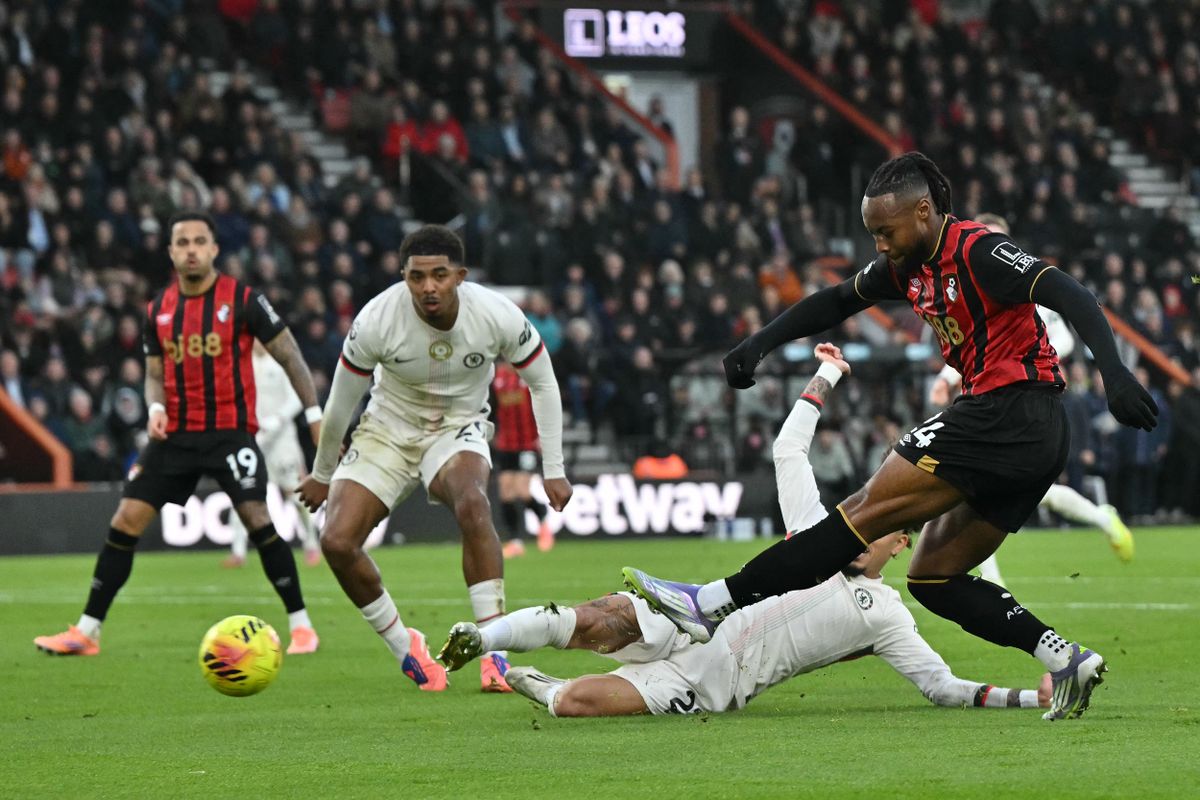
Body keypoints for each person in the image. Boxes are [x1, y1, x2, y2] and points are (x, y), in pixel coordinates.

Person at [623, 152, 1159, 721]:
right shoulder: (907, 265)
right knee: (932, 576)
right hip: (1027, 435)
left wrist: (1114, 372)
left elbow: (1070, 292)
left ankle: (709, 603)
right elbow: (835, 301)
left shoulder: (979, 250)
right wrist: (759, 342)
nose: (879, 244)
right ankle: (1064, 659)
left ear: (924, 211)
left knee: (862, 511)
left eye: (885, 230)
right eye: (872, 233)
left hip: (1010, 411)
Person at [437, 345, 1052, 717]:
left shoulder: (887, 617)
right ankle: (484, 632)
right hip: (688, 614)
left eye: (894, 529)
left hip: (712, 683)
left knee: (575, 705)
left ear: (900, 544)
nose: (879, 529)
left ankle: (546, 688)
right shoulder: (818, 534)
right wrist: (826, 378)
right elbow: (789, 451)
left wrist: (1029, 697)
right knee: (596, 616)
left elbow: (943, 688)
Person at [296, 225, 573, 693]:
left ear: (460, 276)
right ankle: (408, 647)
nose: (428, 287)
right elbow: (341, 403)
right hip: (387, 427)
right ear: (403, 276)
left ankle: (494, 653)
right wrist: (322, 473)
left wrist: (554, 468)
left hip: (457, 426)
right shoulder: (376, 320)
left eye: (440, 275)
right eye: (417, 276)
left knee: (473, 502)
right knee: (338, 542)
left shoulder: (496, 315)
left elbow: (543, 383)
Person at [35, 211, 323, 657]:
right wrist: (154, 407)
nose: (191, 249)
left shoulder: (243, 300)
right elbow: (154, 374)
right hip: (176, 436)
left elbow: (292, 357)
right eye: (182, 242)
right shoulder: (160, 310)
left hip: (230, 433)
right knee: (124, 521)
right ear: (171, 252)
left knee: (257, 519)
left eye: (199, 241)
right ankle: (87, 632)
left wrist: (314, 416)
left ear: (213, 249)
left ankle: (302, 626)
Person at [927, 213, 1134, 582]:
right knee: (1005, 493)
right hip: (992, 403)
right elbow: (967, 340)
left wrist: (1033, 359)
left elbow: (1063, 336)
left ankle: (992, 587)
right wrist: (945, 378)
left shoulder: (1024, 293)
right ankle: (1102, 517)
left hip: (1017, 402)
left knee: (973, 493)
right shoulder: (973, 290)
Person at [224, 339, 321, 570]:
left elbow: (298, 397)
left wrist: (278, 420)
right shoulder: (242, 365)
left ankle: (311, 544)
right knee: (242, 494)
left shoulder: (281, 363)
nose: (255, 343)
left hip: (282, 440)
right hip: (253, 439)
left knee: (296, 495)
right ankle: (237, 551)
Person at [490, 358, 554, 558]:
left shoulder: (531, 377)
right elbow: (492, 407)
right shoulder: (497, 378)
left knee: (522, 490)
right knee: (505, 494)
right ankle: (515, 541)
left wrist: (544, 436)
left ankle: (543, 521)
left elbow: (545, 405)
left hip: (527, 443)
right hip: (506, 444)